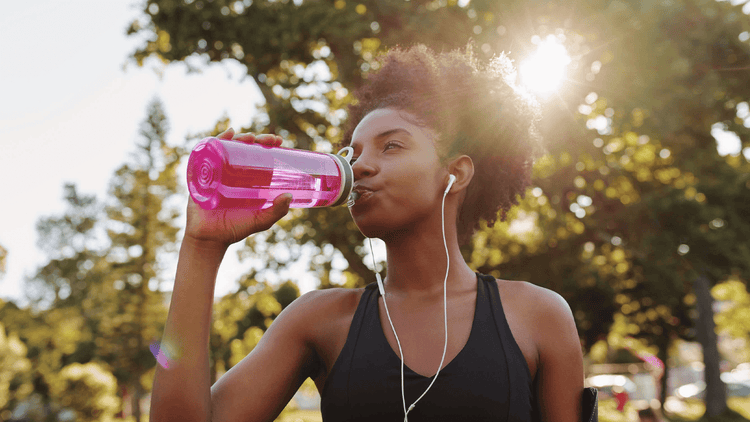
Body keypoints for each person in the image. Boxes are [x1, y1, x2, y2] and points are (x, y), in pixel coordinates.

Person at [150, 43, 587, 422]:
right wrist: (201, 246)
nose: (359, 167)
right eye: (352, 153)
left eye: (391, 145)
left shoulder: (537, 316)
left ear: (455, 173)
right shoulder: (319, 321)